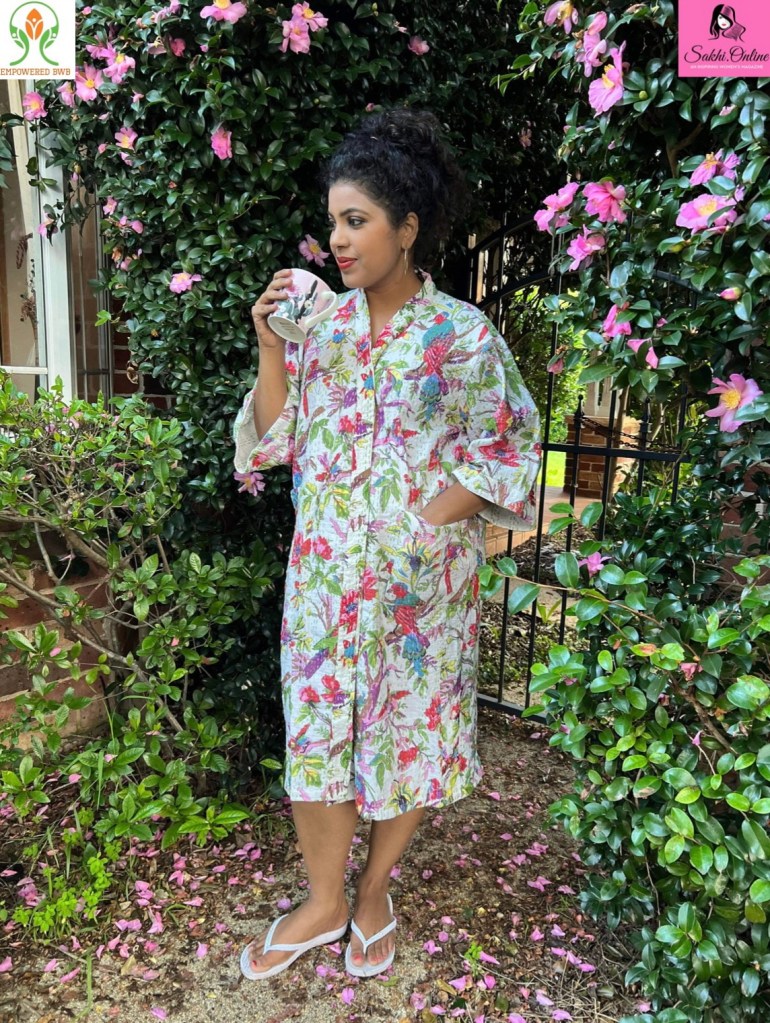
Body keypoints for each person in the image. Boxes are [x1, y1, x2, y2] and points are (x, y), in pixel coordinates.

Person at [233, 108, 541, 981]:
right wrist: (270, 347)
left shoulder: (462, 336)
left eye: (356, 220)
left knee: (409, 737)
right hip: (324, 580)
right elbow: (274, 440)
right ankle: (323, 901)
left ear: (407, 228)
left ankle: (372, 893)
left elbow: (509, 445)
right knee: (318, 736)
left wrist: (429, 520)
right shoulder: (323, 328)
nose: (337, 238)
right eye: (333, 221)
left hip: (420, 589)